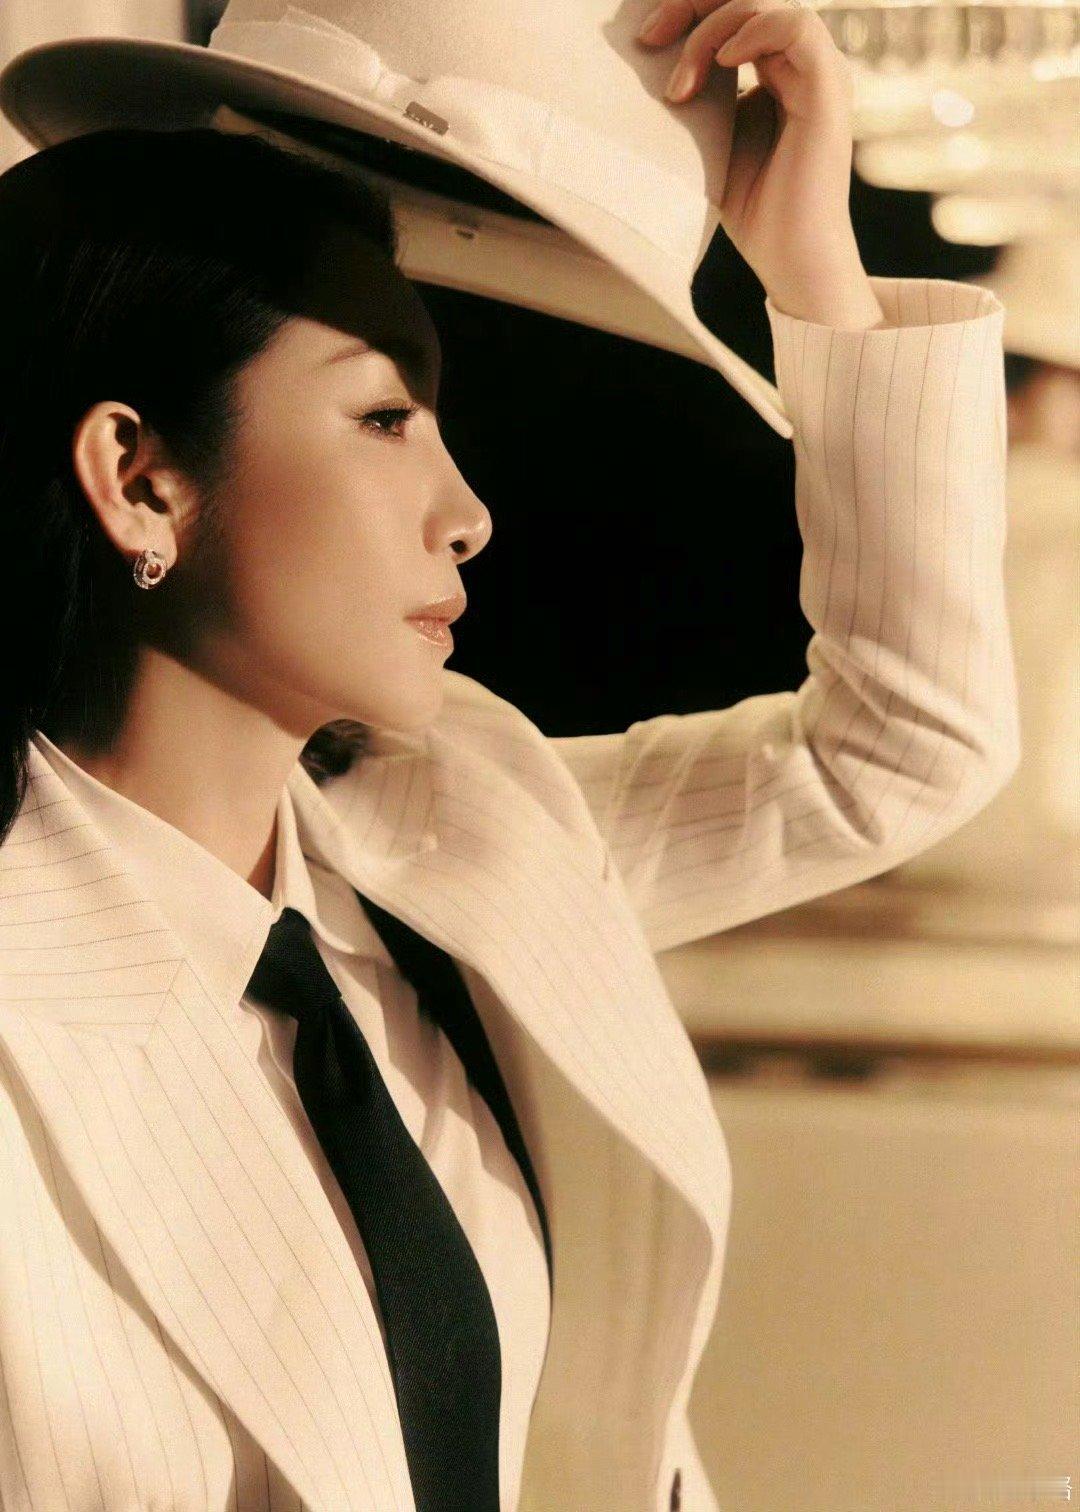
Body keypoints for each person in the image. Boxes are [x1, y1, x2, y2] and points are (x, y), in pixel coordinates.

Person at [0, 2, 1019, 1509]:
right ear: (138, 478)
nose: (467, 513)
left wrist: (813, 272)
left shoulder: (460, 834)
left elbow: (905, 745)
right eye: (383, 418)